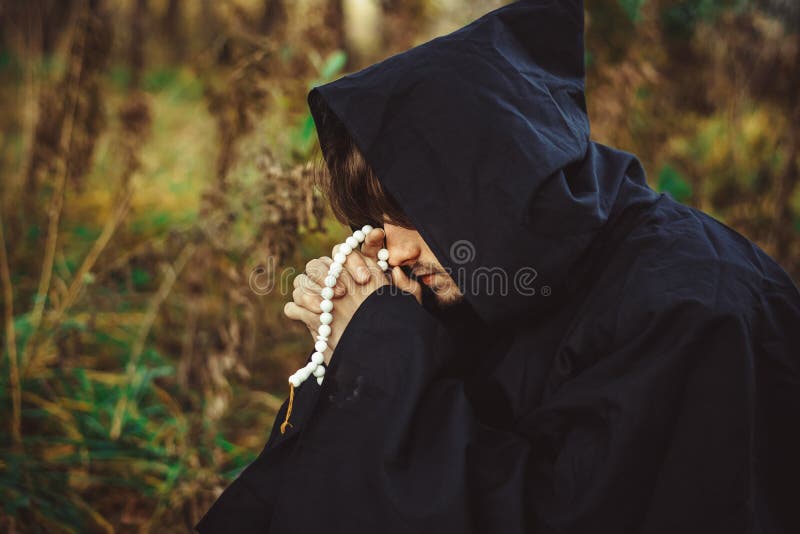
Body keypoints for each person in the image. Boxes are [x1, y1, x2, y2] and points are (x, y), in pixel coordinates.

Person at [196, 1, 800, 532]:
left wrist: (381, 350)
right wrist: (346, 352)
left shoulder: (691, 313)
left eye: (416, 213)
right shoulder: (518, 260)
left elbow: (554, 514)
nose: (394, 252)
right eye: (379, 220)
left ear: (496, 186)